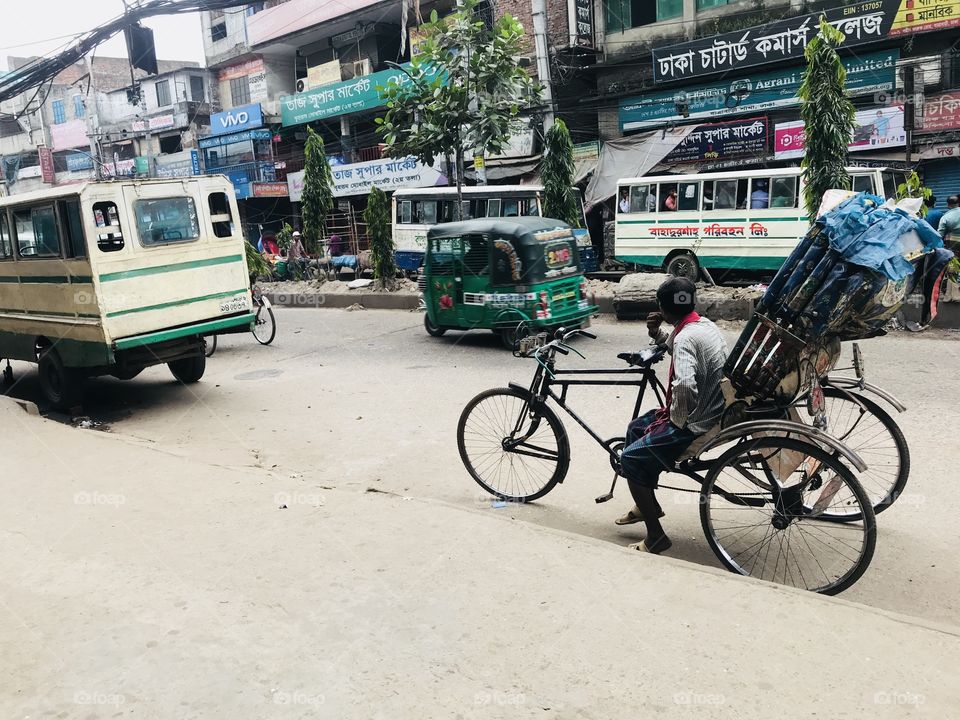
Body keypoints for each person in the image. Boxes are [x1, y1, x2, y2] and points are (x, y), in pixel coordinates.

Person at [615, 278, 728, 554]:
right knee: (635, 428)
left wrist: (675, 421)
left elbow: (685, 385)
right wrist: (656, 333)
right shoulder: (702, 325)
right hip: (710, 405)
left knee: (629, 458)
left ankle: (656, 537)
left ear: (663, 308)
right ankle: (647, 504)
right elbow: (676, 345)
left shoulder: (687, 337)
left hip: (694, 420)